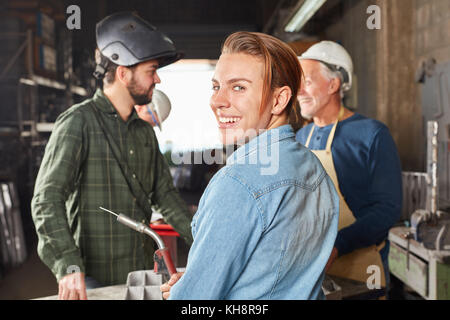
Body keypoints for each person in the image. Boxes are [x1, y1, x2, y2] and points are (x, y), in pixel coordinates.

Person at [161, 31, 339, 300]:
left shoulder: (238, 183)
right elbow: (275, 273)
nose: (217, 101)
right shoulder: (314, 169)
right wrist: (202, 275)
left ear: (279, 100)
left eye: (238, 87)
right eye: (216, 86)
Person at [31, 12, 193, 300]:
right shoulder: (78, 123)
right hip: (95, 282)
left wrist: (206, 242)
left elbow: (166, 196)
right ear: (122, 72)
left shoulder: (144, 132)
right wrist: (67, 263)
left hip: (141, 274)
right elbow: (47, 199)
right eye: (151, 69)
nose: (157, 79)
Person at [295, 41, 402, 293]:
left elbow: (387, 209)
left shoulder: (372, 135)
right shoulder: (302, 137)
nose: (299, 90)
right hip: (310, 268)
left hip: (362, 273)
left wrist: (338, 245)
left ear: (333, 85)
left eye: (307, 81)